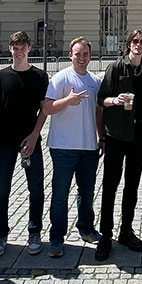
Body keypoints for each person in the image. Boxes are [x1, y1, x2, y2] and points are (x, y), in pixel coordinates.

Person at [94, 29, 142, 261]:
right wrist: (115, 100)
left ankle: (126, 231)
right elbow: (101, 99)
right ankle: (105, 235)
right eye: (135, 41)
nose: (138, 45)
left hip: (139, 135)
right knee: (110, 185)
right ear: (128, 44)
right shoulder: (115, 68)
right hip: (116, 133)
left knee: (132, 185)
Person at [42, 36, 103, 258]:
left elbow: (98, 112)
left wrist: (101, 137)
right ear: (71, 55)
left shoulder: (95, 81)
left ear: (90, 55)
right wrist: (67, 101)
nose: (82, 58)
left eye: (85, 54)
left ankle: (86, 228)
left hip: (88, 147)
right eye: (78, 54)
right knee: (60, 194)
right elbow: (47, 108)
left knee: (86, 193)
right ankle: (56, 238)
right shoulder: (60, 78)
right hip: (63, 147)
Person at [0, 31, 48, 257]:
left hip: (29, 139)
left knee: (36, 189)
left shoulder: (40, 76)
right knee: (1, 190)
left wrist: (35, 134)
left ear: (29, 48)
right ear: (10, 49)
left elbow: (44, 109)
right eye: (16, 47)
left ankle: (34, 232)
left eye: (23, 47)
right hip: (4, 140)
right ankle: (0, 235)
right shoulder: (1, 76)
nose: (20, 51)